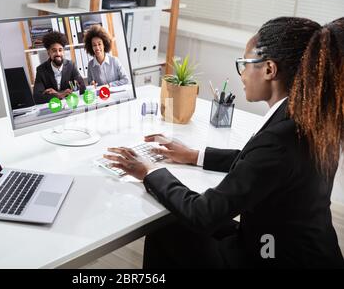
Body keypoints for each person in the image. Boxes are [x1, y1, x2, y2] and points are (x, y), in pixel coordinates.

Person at [104, 17, 344, 268]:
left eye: (244, 64)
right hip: (295, 248)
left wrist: (149, 172)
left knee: (166, 228)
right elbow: (258, 164)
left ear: (269, 69)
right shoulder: (309, 118)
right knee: (178, 223)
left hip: (271, 257)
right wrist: (194, 155)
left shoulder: (279, 140)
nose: (241, 74)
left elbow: (203, 214)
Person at [33, 31, 86, 104]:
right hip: (52, 108)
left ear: (63, 51)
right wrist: (59, 95)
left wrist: (58, 93)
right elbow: (37, 97)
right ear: (48, 53)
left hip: (70, 106)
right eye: (54, 51)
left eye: (60, 50)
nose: (58, 53)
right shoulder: (41, 70)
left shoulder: (71, 66)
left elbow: (83, 88)